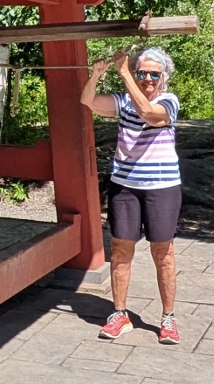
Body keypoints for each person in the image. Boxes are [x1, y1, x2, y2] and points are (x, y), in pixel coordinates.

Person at [80, 47, 182, 344]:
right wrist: (97, 74)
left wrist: (124, 71)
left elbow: (150, 115)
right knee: (121, 250)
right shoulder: (123, 101)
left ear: (164, 78)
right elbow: (87, 101)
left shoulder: (168, 101)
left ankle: (168, 318)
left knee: (162, 253)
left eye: (154, 74)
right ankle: (119, 313)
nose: (148, 79)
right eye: (142, 73)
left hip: (162, 188)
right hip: (124, 186)